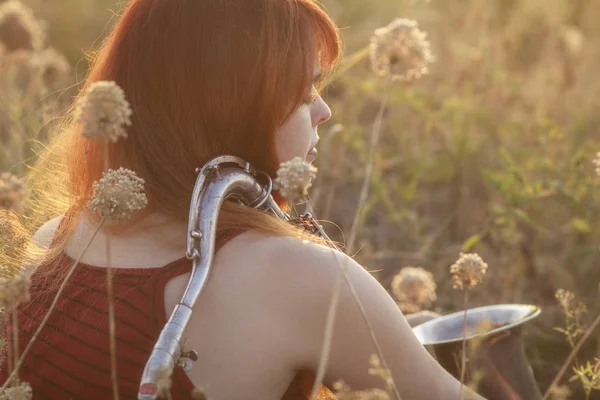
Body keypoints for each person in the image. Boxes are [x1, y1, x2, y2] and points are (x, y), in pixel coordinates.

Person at [0, 0, 486, 399]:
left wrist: (391, 333)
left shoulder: (53, 242)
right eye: (304, 92)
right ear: (232, 107)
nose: (324, 110)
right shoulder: (300, 278)